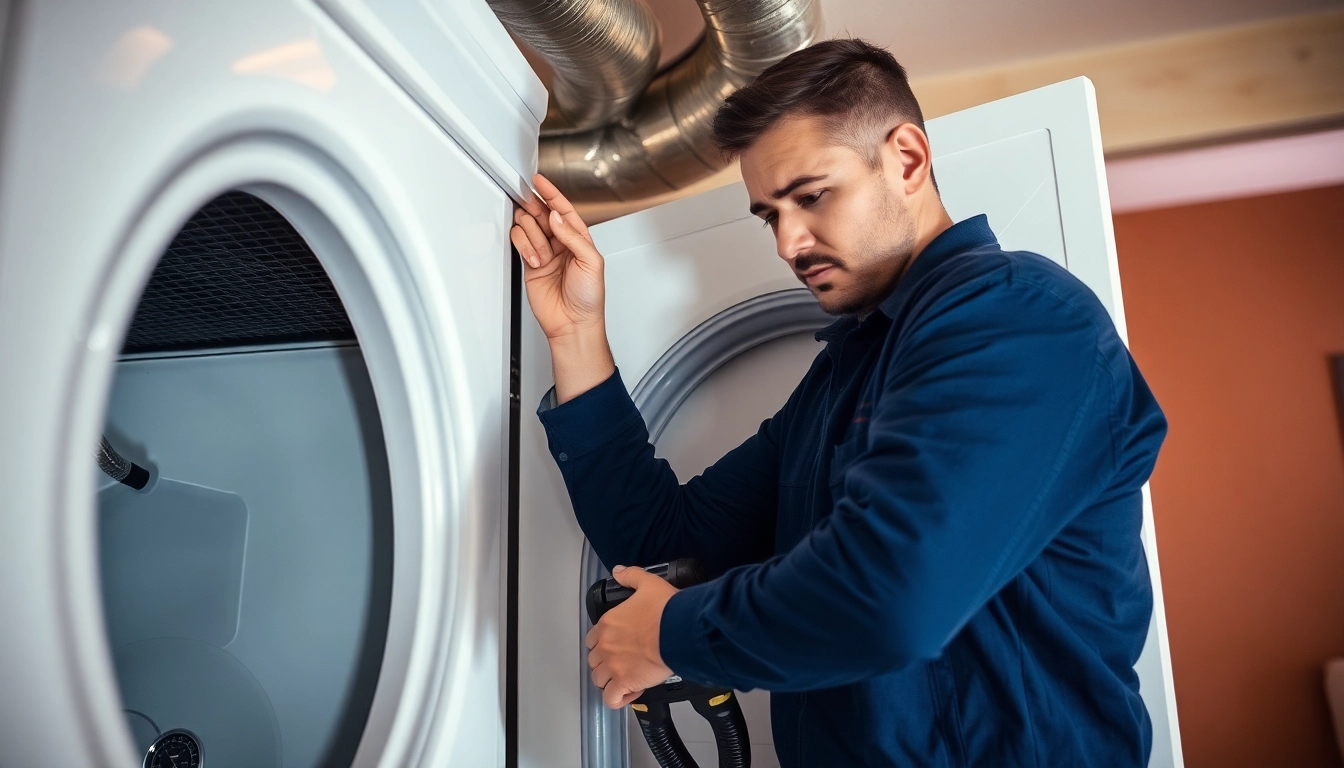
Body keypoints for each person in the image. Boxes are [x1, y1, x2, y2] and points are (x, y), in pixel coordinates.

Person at [510, 38, 1166, 767]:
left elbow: (895, 599)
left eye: (812, 196)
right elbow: (663, 549)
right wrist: (575, 332)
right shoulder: (839, 380)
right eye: (769, 215)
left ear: (908, 160)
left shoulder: (1021, 319)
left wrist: (671, 637)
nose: (789, 241)